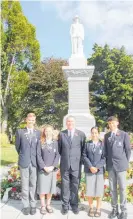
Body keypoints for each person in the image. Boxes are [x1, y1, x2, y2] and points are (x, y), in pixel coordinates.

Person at [104, 116, 131, 219]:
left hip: (121, 166)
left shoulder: (123, 134)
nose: (111, 125)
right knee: (112, 189)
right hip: (111, 166)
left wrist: (124, 162)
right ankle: (115, 209)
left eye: (113, 123)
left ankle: (124, 210)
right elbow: (106, 151)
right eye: (109, 123)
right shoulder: (107, 136)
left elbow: (128, 150)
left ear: (117, 123)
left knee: (123, 188)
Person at [58, 116, 86, 215]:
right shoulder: (62, 134)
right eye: (68, 121)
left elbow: (83, 150)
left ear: (75, 122)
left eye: (72, 121)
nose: (70, 123)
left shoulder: (81, 134)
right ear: (66, 123)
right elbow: (59, 150)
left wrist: (80, 163)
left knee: (75, 185)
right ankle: (65, 205)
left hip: (76, 165)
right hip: (65, 165)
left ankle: (74, 205)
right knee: (65, 186)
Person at [15, 112, 40, 215]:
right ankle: (26, 205)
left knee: (33, 184)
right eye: (29, 119)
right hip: (24, 161)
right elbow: (17, 147)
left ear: (35, 121)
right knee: (25, 185)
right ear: (26, 120)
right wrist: (23, 155)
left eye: (33, 120)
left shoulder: (38, 132)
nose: (31, 121)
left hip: (34, 162)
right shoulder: (20, 132)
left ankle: (33, 204)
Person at [37, 125, 60, 214]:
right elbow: (38, 155)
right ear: (44, 132)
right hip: (43, 169)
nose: (48, 132)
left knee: (50, 188)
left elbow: (57, 155)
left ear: (52, 132)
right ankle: (42, 205)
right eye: (46, 131)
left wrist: (53, 166)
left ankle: (48, 205)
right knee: (43, 188)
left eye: (49, 131)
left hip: (52, 169)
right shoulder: (40, 142)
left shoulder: (55, 142)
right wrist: (44, 167)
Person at [82, 127, 105, 217]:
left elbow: (104, 158)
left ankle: (98, 209)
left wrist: (97, 167)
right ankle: (91, 208)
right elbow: (84, 156)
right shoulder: (87, 144)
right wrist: (90, 166)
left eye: (96, 133)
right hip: (89, 170)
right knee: (90, 190)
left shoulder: (102, 145)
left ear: (98, 134)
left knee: (99, 191)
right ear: (90, 134)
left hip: (99, 171)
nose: (94, 134)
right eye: (92, 133)